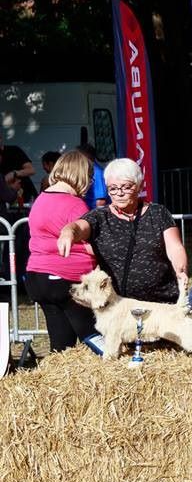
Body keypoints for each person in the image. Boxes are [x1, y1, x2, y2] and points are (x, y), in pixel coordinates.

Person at [57, 158, 187, 303]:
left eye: (126, 187)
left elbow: (175, 247)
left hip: (162, 303)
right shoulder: (99, 217)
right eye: (112, 188)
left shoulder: (158, 213)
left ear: (139, 186)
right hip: (118, 306)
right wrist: (68, 232)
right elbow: (79, 226)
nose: (119, 193)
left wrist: (180, 270)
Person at [24, 151, 99, 352]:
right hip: (66, 278)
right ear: (82, 175)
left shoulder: (40, 200)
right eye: (90, 177)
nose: (91, 183)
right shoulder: (74, 205)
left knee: (61, 347)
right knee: (94, 339)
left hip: (38, 277)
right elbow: (92, 243)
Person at [0, 135, 37, 203]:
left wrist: (14, 173)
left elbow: (31, 170)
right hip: (7, 200)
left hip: (27, 198)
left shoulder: (14, 150)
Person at [77, 143, 108, 208]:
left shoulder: (97, 172)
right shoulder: (85, 170)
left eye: (79, 157)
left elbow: (101, 201)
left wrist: (97, 217)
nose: (77, 160)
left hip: (93, 213)